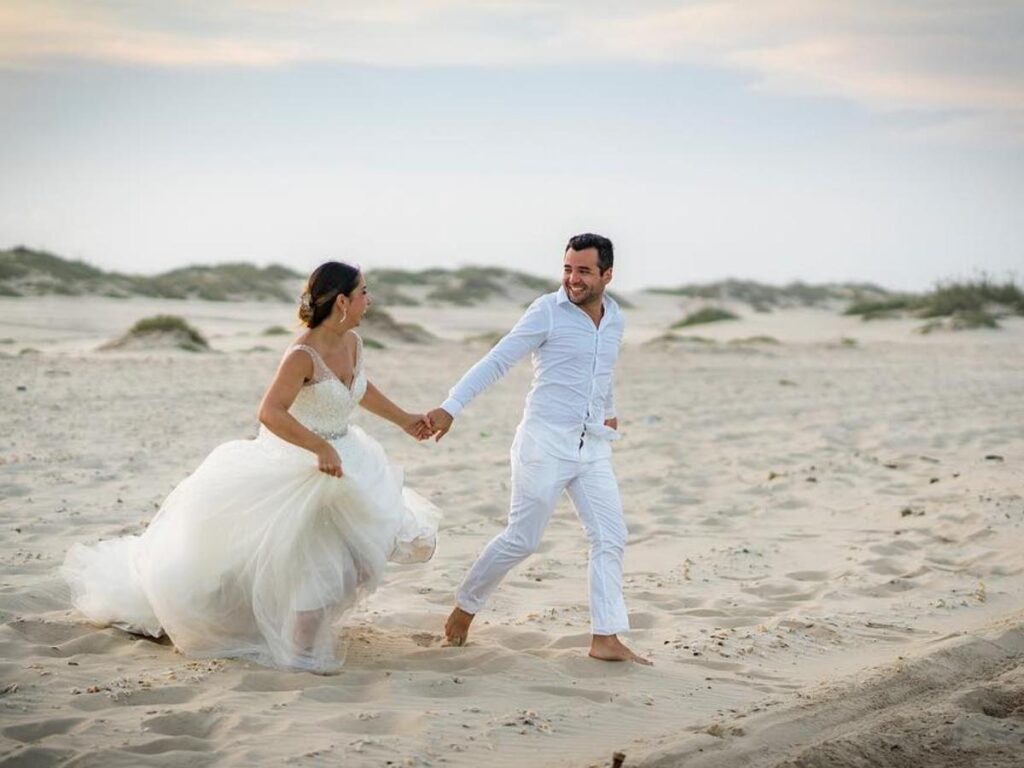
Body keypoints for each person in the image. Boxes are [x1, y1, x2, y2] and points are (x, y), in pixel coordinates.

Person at [62, 262, 440, 673]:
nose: (371, 299)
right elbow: (270, 412)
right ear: (343, 300)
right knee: (315, 556)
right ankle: (299, 648)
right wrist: (317, 448)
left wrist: (405, 419)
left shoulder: (353, 342)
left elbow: (359, 389)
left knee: (360, 558)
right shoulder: (302, 353)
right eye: (365, 292)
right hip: (300, 460)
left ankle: (297, 631)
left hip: (348, 455)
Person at [427, 233, 651, 665]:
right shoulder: (547, 311)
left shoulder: (616, 317)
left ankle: (606, 636)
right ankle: (464, 609)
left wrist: (609, 409)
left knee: (610, 537)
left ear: (607, 274)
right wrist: (451, 406)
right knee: (522, 539)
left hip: (593, 446)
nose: (573, 279)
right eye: (568, 269)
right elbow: (497, 360)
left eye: (584, 271)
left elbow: (602, 371)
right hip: (543, 445)